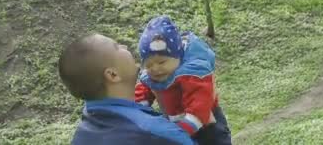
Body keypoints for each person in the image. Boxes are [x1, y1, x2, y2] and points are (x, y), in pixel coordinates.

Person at [58, 34, 194, 145]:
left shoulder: (84, 131)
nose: (125, 46)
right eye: (117, 47)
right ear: (113, 75)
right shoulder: (155, 131)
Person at [135, 16, 232, 145]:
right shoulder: (152, 76)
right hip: (177, 125)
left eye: (161, 62)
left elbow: (200, 105)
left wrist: (179, 132)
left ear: (178, 56)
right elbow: (142, 90)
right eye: (148, 65)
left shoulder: (193, 74)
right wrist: (140, 110)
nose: (155, 69)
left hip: (206, 124)